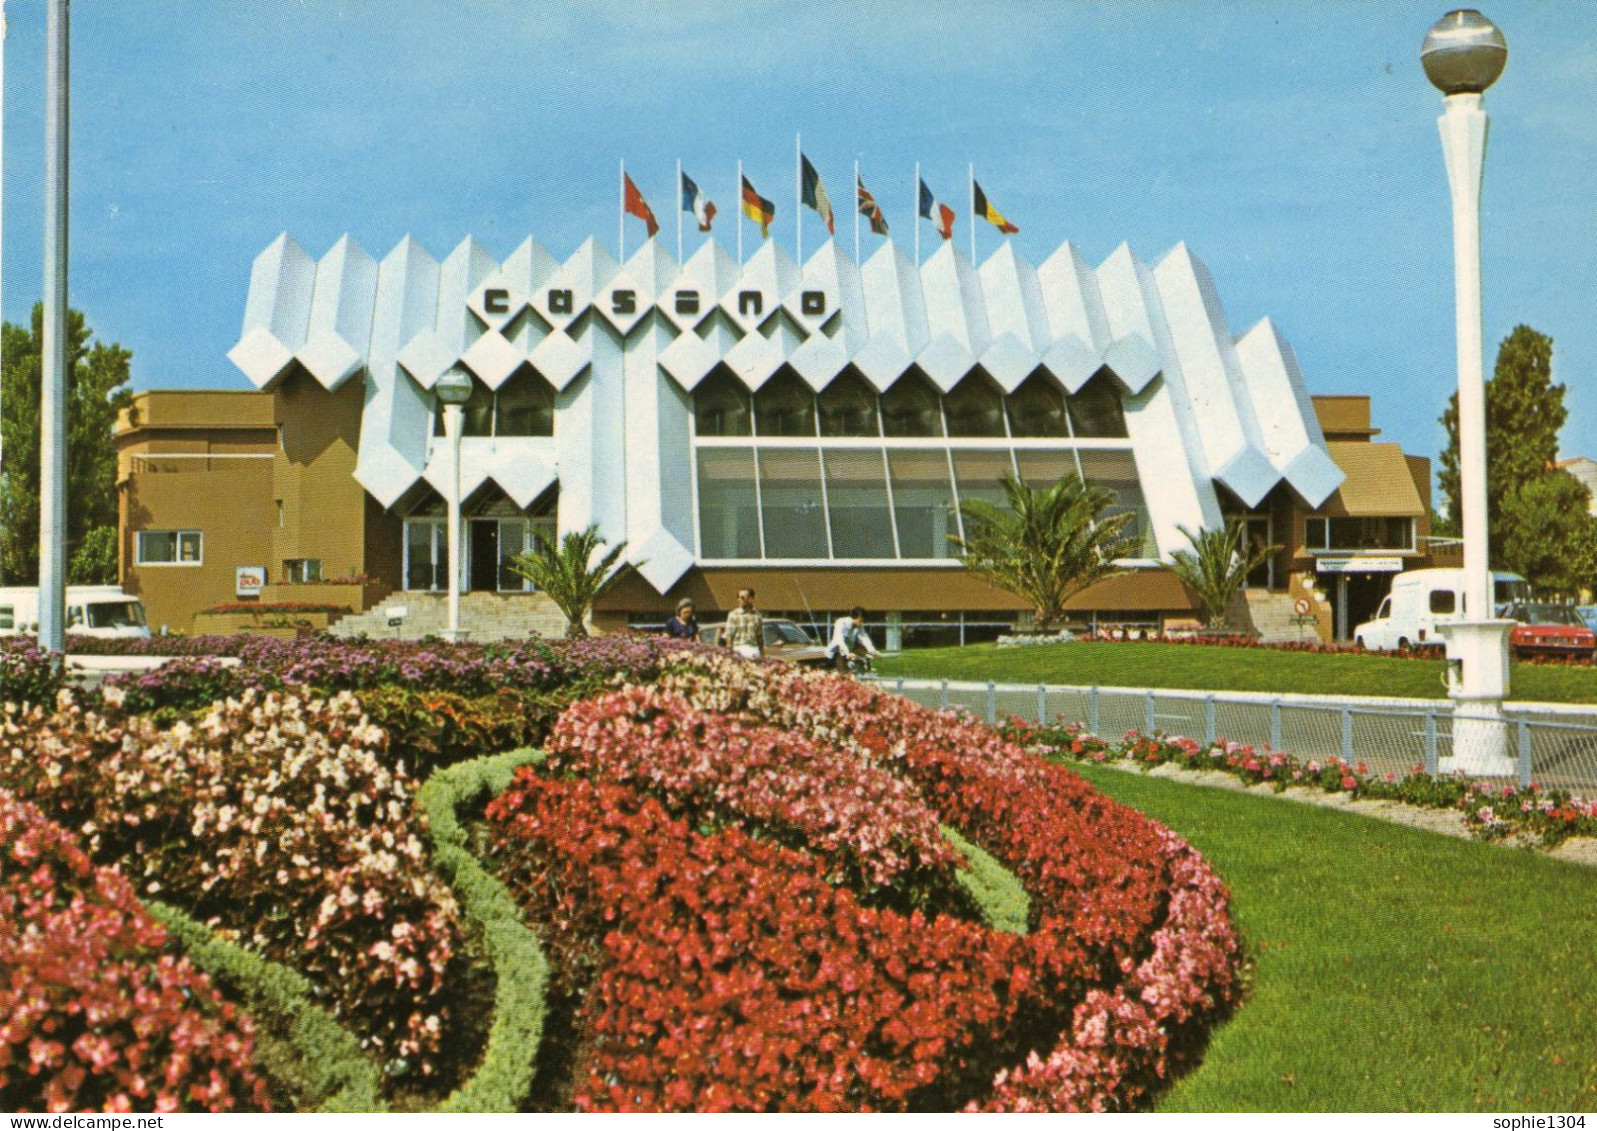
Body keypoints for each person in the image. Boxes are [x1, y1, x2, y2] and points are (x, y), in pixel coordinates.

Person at [827, 606, 879, 673]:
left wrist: (873, 651)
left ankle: (863, 671)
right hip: (836, 652)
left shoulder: (858, 625)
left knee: (862, 668)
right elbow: (839, 641)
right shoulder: (841, 623)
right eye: (861, 621)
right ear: (854, 618)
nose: (862, 623)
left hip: (848, 652)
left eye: (863, 621)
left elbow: (864, 638)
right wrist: (848, 653)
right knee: (844, 675)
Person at [719, 587, 764, 660]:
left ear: (751, 599)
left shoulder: (757, 615)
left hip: (754, 651)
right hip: (738, 651)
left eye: (742, 598)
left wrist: (762, 655)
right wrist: (730, 654)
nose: (739, 600)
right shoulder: (733, 615)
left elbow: (759, 637)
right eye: (738, 597)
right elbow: (729, 636)